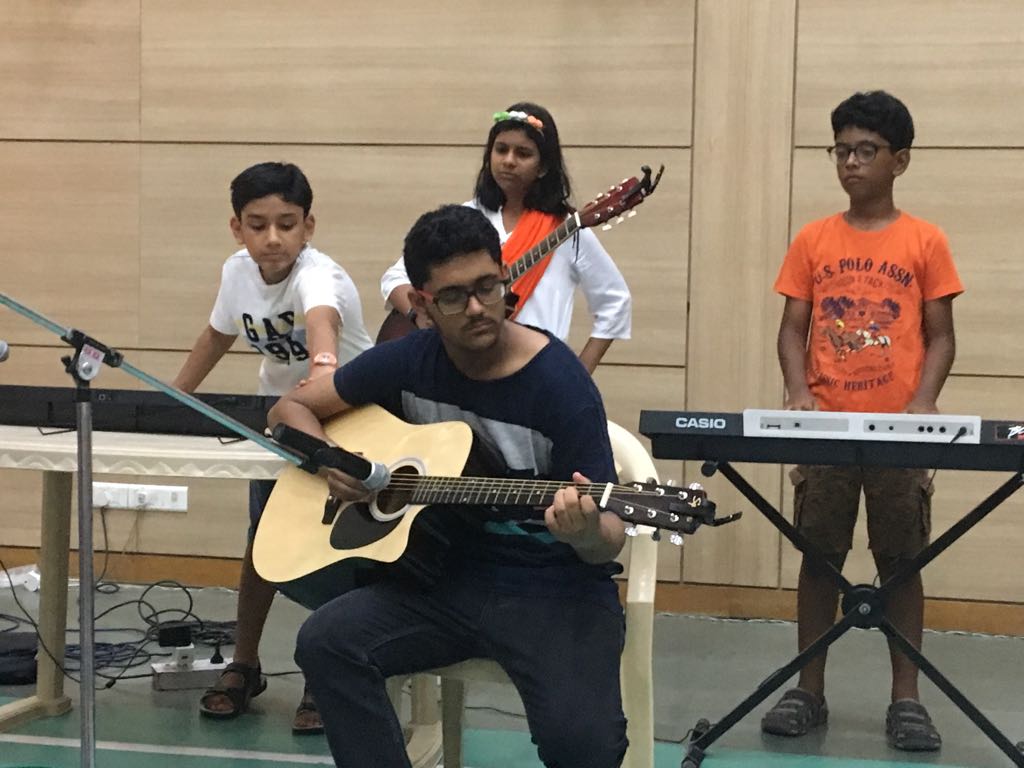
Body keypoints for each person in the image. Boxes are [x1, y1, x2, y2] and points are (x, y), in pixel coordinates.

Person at [268, 204, 629, 767]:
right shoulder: (409, 360)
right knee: (327, 642)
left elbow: (610, 532)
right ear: (424, 304)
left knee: (583, 745)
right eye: (456, 296)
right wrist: (330, 461)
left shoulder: (562, 385)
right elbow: (289, 408)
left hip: (553, 589)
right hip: (442, 577)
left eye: (489, 285)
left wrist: (582, 533)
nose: (480, 308)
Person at [762, 91, 963, 751]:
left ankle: (906, 699)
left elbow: (940, 336)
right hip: (826, 427)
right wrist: (797, 390)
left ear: (899, 160)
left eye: (866, 151)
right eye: (841, 150)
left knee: (901, 561)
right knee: (820, 559)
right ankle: (806, 689)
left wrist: (924, 402)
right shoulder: (814, 238)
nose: (851, 163)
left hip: (897, 432)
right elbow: (793, 330)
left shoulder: (925, 239)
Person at [172, 161, 373, 733]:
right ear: (237, 228)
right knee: (262, 543)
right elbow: (217, 333)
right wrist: (174, 398)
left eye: (287, 224)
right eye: (258, 225)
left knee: (332, 549)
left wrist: (324, 369)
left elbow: (321, 331)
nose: (273, 237)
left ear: (308, 226)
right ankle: (245, 663)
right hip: (277, 429)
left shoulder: (319, 276)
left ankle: (322, 672)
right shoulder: (237, 272)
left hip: (343, 423)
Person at [379, 101, 631, 373]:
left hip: (535, 373)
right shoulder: (466, 217)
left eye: (523, 153)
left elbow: (615, 302)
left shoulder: (568, 230)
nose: (508, 160)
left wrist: (579, 372)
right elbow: (395, 277)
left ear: (543, 166)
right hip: (458, 369)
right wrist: (420, 316)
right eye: (501, 150)